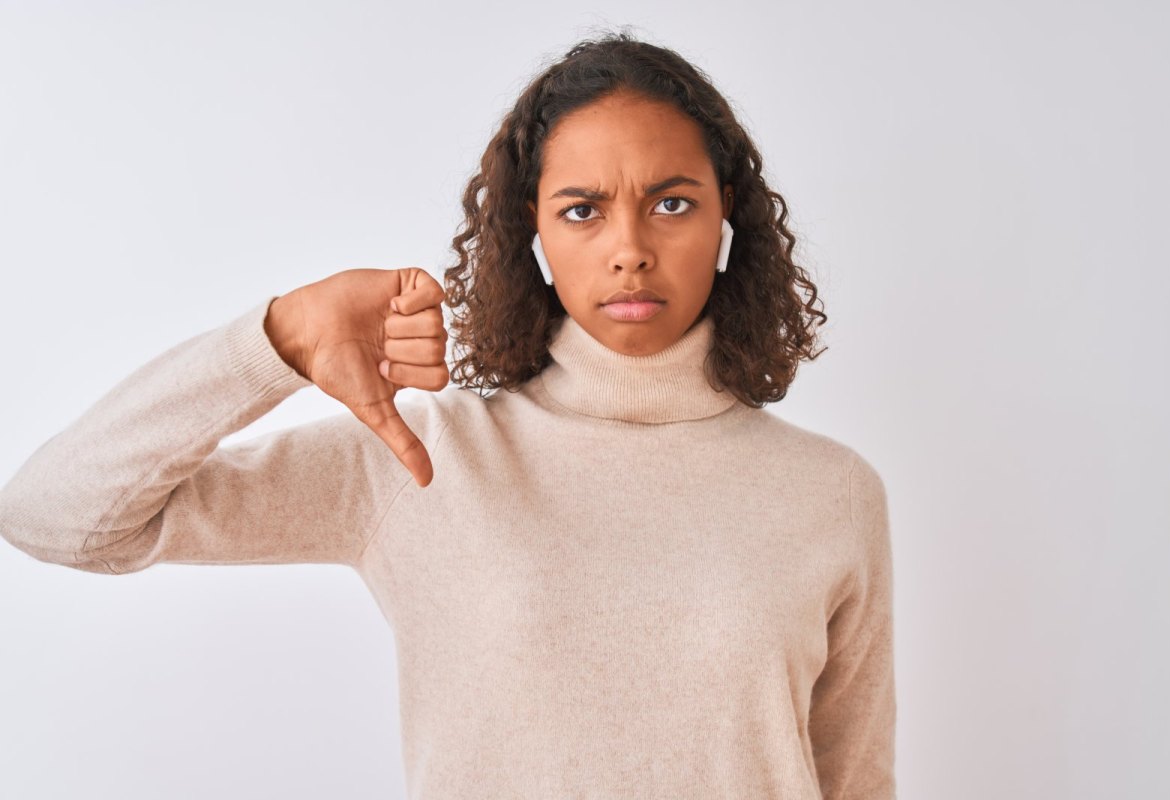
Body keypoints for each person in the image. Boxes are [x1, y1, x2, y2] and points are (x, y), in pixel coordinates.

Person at [0, 30, 896, 800]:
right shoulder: (424, 459)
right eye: (582, 211)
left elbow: (854, 780)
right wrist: (272, 342)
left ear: (726, 216)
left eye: (671, 203)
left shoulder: (829, 492)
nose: (630, 251)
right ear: (535, 234)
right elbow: (54, 518)